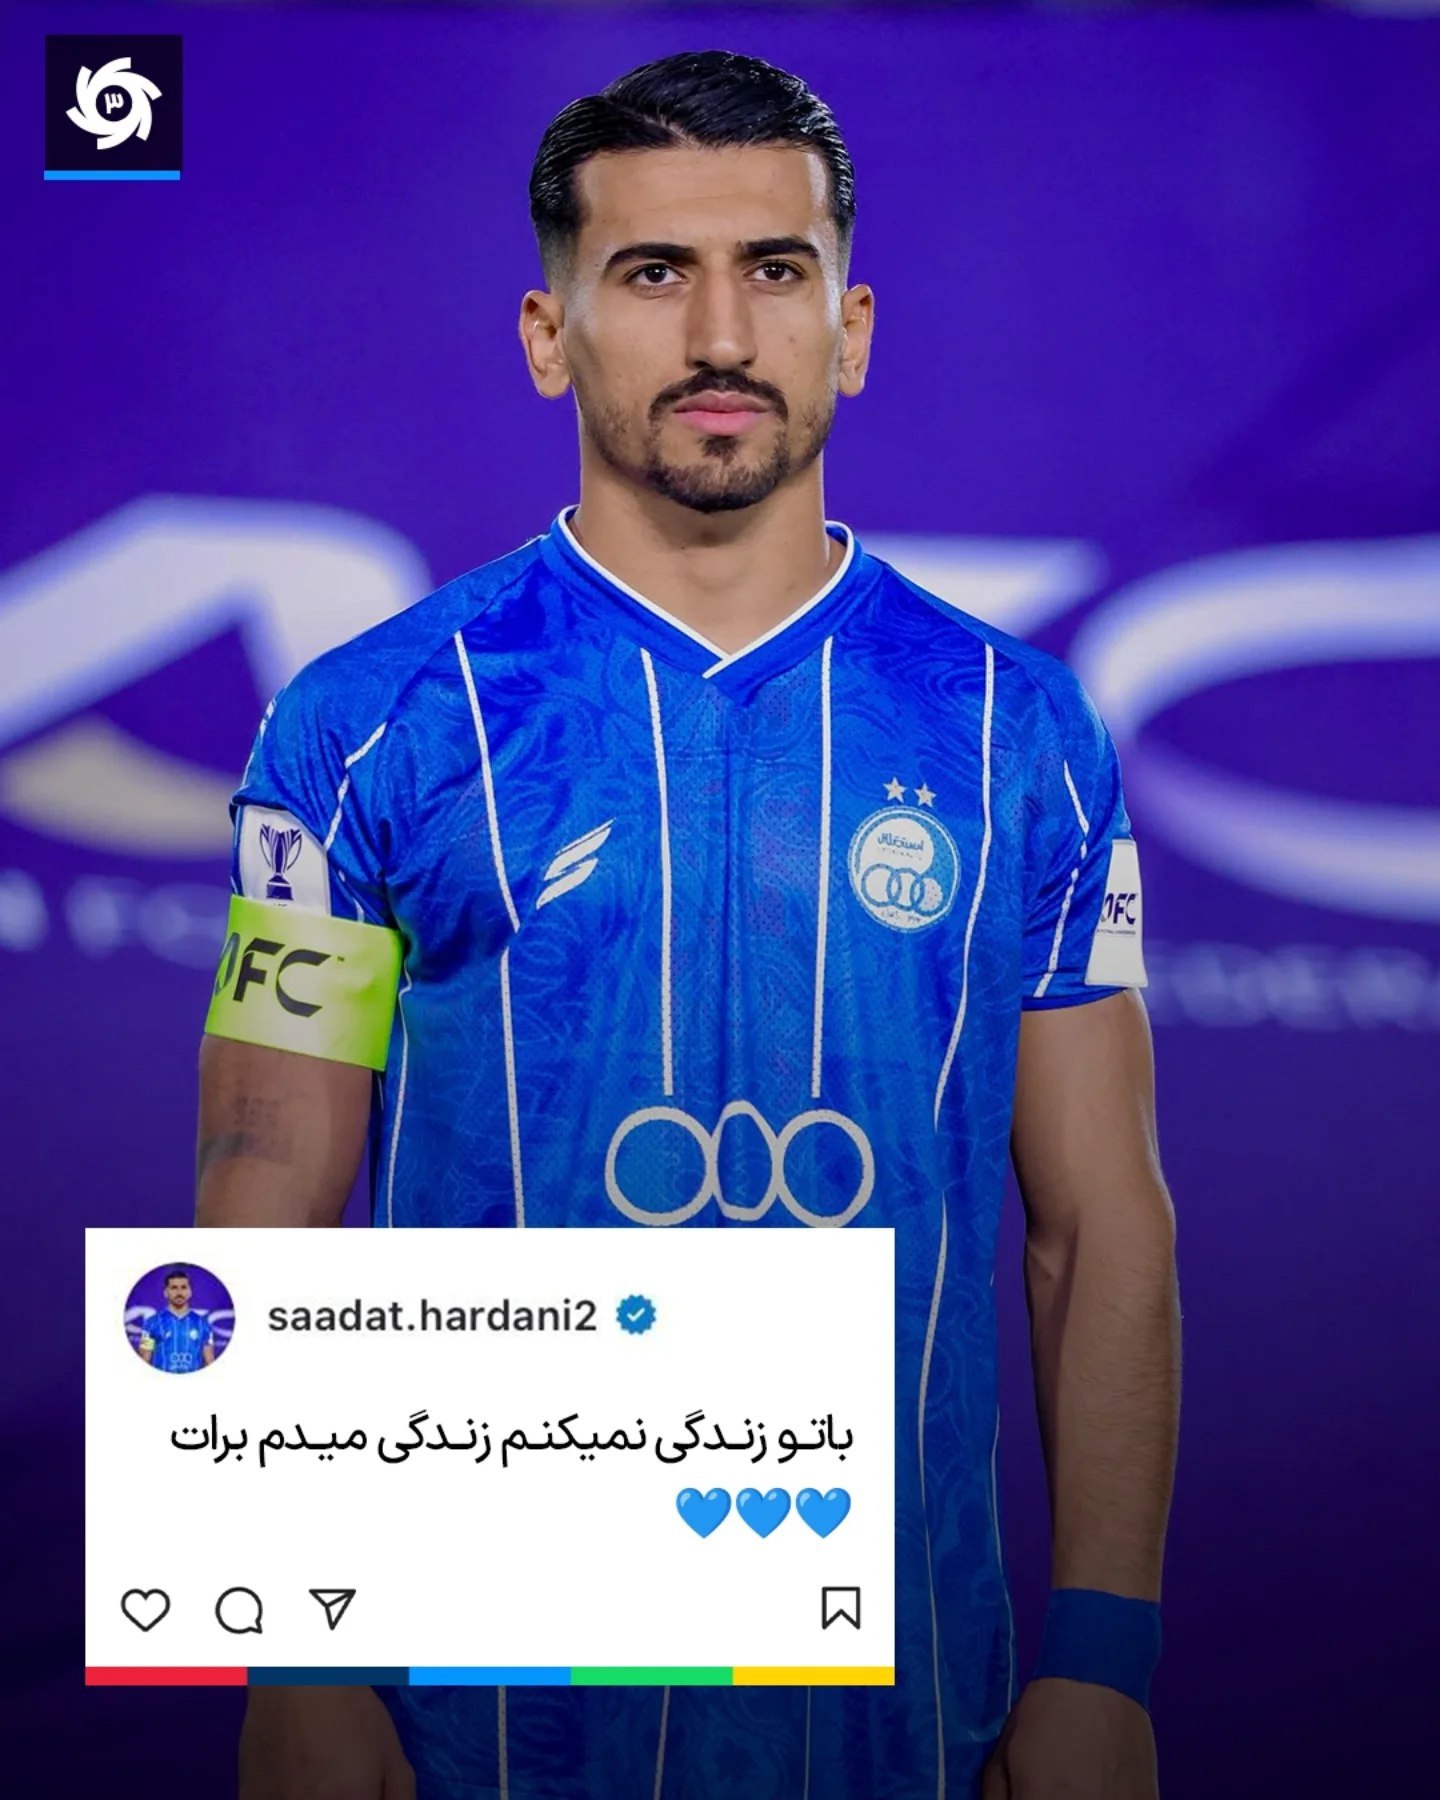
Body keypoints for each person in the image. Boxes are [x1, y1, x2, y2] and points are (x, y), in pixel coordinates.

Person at [200, 48, 1180, 1800]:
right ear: (548, 333)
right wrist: (286, 1653)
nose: (722, 333)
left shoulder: (1019, 734)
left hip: (906, 1727)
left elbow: (1097, 1228)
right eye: (653, 273)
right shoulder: (361, 725)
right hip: (471, 1733)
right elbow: (264, 1182)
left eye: (774, 271)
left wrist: (1105, 1664)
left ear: (851, 329)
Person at [136, 1267, 215, 1372]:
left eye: (184, 1287)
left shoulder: (203, 1324)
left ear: (190, 1292)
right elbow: (144, 1359)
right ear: (165, 1292)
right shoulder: (151, 1323)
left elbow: (210, 1361)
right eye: (174, 1288)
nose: (179, 1292)